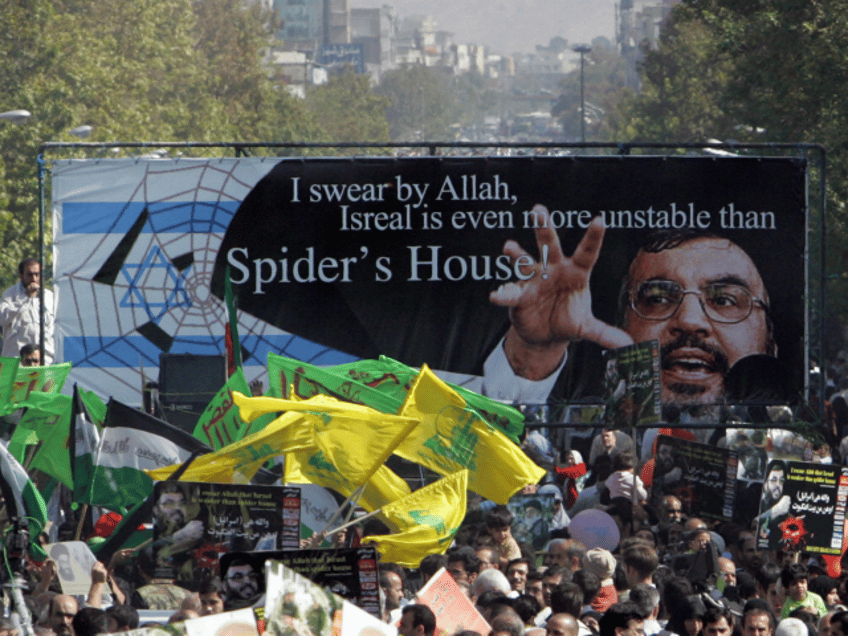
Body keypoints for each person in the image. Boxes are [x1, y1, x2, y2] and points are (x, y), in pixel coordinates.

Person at [484, 207, 778, 416]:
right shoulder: (587, 442)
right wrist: (534, 354)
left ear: (770, 344)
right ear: (622, 324)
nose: (689, 321)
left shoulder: (794, 444)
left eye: (725, 300)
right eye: (658, 298)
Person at [0, 258, 54, 364]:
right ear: (21, 275)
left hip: (44, 360)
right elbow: (2, 318)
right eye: (29, 275)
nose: (34, 278)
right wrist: (25, 298)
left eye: (37, 274)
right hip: (17, 359)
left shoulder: (49, 296)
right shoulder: (10, 294)